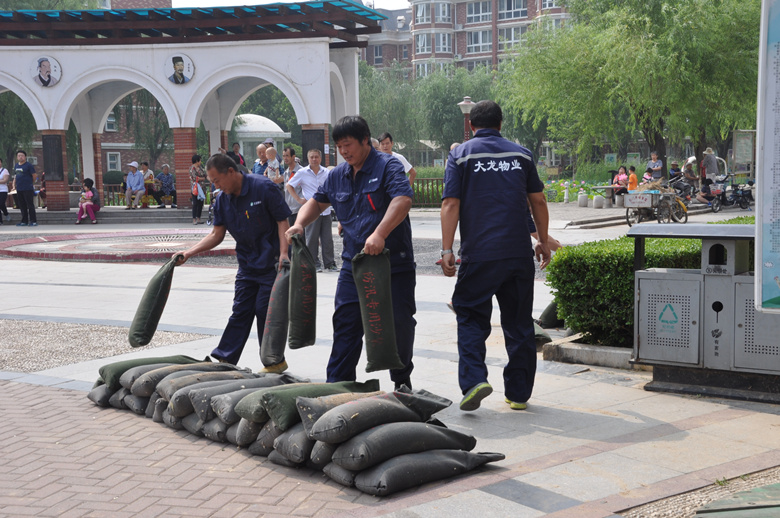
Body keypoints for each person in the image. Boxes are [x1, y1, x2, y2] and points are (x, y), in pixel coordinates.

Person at [286, 115, 416, 390]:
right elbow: (317, 202)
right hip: (354, 264)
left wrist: (380, 233)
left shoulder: (388, 165)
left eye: (348, 145)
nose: (344, 151)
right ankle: (338, 385)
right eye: (339, 147)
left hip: (392, 262)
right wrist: (299, 224)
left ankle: (402, 382)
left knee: (398, 325)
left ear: (365, 140)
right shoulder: (337, 175)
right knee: (346, 324)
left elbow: (403, 199)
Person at [440, 100, 550, 412]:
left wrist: (447, 250)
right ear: (501, 124)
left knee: (470, 316)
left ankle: (475, 380)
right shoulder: (521, 154)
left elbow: (450, 204)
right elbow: (538, 201)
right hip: (517, 254)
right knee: (519, 323)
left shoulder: (461, 155)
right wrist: (542, 241)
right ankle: (518, 394)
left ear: (471, 125)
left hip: (479, 255)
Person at [176, 154, 291, 368]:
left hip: (272, 264)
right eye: (212, 182)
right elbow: (216, 234)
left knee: (265, 311)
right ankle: (225, 359)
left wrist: (285, 253)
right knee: (240, 310)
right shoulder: (222, 200)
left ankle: (273, 361)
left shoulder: (263, 187)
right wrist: (189, 252)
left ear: (231, 171)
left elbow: (282, 221)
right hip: (247, 264)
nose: (216, 186)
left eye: (217, 180)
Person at [286, 149, 337, 272]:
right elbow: (289, 185)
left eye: (316, 157)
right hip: (311, 211)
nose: (314, 159)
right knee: (312, 239)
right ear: (308, 159)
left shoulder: (327, 172)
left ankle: (330, 263)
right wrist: (299, 199)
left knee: (327, 239)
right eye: (311, 157)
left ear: (320, 158)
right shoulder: (302, 172)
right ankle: (313, 263)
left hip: (325, 210)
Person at [14, 150, 37, 226]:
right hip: (19, 188)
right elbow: (16, 176)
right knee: (22, 205)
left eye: (22, 155)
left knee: (30, 204)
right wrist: (14, 186)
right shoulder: (16, 165)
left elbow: (34, 176)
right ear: (17, 157)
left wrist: (30, 183)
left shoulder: (28, 165)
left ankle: (33, 221)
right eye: (19, 156)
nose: (20, 157)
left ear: (25, 157)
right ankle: (24, 221)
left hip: (28, 188)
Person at [282, 146, 303, 226]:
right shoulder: (286, 173)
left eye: (287, 156)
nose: (285, 158)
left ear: (293, 157)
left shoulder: (302, 171)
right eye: (284, 156)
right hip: (289, 211)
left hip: (300, 210)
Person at [190, 154, 207, 225]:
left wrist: (201, 178)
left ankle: (198, 218)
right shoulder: (192, 168)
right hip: (196, 188)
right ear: (196, 161)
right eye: (199, 160)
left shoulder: (200, 168)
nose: (200, 162)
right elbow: (195, 178)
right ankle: (194, 219)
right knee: (195, 203)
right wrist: (201, 178)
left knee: (200, 203)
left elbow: (205, 176)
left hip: (202, 188)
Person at [0, 158, 8, 224]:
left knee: (1, 203)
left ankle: (6, 213)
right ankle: (0, 221)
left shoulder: (4, 170)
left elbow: (5, 180)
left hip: (3, 190)